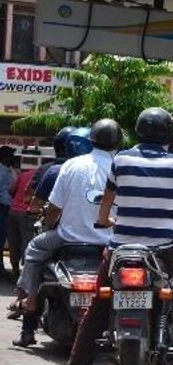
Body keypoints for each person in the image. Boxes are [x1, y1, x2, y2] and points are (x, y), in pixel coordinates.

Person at [47, 108, 173, 365]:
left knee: (96, 309)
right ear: (168, 133)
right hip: (162, 251)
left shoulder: (121, 160)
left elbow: (106, 202)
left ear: (138, 131)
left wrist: (105, 220)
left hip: (120, 250)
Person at [10, 122, 116, 347]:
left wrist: (49, 226)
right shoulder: (120, 166)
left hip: (68, 238)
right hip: (108, 242)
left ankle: (29, 299)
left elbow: (52, 208)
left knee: (35, 248)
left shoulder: (69, 166)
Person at [7, 154, 36, 281]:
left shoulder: (22, 175)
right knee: (27, 242)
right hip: (26, 213)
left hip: (13, 211)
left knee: (13, 242)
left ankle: (15, 271)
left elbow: (11, 190)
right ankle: (25, 276)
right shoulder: (39, 176)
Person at [0, 146, 15, 277]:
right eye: (11, 156)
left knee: (2, 237)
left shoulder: (9, 170)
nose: (12, 158)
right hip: (2, 207)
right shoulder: (1, 171)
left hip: (7, 207)